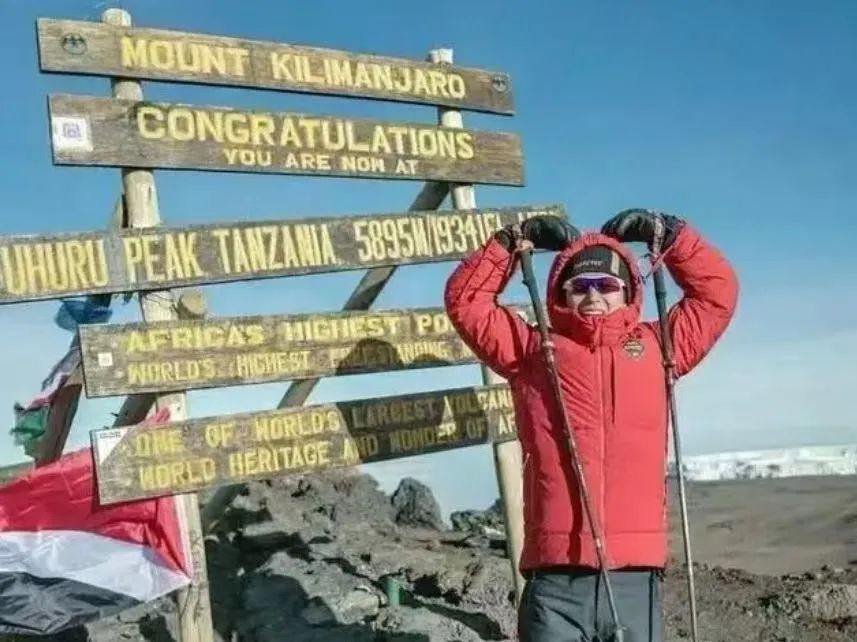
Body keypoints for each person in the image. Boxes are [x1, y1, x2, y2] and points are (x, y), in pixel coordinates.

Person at [444, 209, 738, 641]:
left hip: (636, 578)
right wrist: (508, 244)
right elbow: (467, 303)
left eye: (607, 285)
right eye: (579, 286)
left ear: (628, 290)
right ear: (561, 293)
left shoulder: (660, 347)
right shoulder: (531, 351)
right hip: (555, 581)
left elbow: (716, 295)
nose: (593, 295)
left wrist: (672, 236)